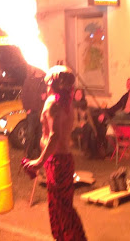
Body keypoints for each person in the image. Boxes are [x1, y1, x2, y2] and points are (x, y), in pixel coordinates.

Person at [23, 65, 87, 241]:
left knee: (61, 210)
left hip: (57, 162)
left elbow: (54, 136)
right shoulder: (65, 102)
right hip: (61, 160)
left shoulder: (53, 104)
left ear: (52, 81)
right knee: (60, 208)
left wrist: (38, 162)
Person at [21, 66, 47, 159]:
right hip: (32, 112)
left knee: (41, 134)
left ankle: (40, 153)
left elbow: (51, 93)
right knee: (30, 133)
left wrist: (46, 95)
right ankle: (28, 153)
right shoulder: (29, 80)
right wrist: (27, 108)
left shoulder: (46, 80)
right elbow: (24, 95)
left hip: (42, 111)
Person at [71, 88, 95, 152]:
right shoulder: (71, 106)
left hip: (85, 126)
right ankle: (87, 147)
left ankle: (89, 149)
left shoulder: (84, 106)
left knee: (90, 129)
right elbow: (70, 120)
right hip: (74, 127)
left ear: (82, 96)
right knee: (88, 128)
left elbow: (89, 119)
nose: (78, 95)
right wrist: (80, 124)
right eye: (77, 93)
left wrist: (94, 130)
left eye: (80, 94)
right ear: (74, 95)